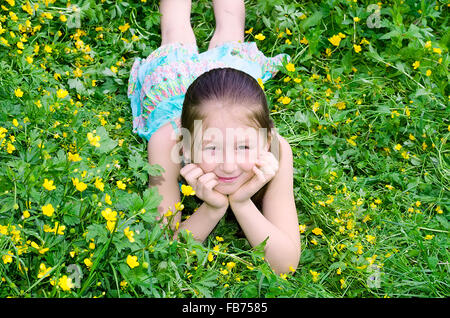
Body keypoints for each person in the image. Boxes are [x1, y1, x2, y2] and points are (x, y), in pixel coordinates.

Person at [127, 0, 300, 274]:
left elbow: (286, 264)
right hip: (172, 84)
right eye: (211, 148)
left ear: (266, 141)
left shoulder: (277, 151)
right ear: (184, 145)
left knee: (231, 31)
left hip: (224, 91)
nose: (229, 166)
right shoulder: (166, 142)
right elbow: (162, 252)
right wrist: (212, 209)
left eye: (243, 146)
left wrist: (242, 203)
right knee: (175, 32)